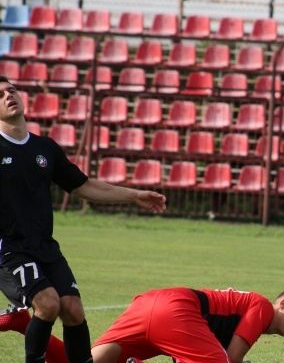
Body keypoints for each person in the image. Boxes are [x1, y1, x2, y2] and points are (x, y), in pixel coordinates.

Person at [0, 76, 167, 363]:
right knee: (48, 304)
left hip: (45, 247)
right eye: (0, 95)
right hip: (9, 250)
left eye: (11, 90)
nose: (8, 96)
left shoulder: (45, 148)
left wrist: (134, 195)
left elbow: (85, 186)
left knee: (73, 309)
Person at [0, 286, 284, 363]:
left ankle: (21, 321)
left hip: (151, 304)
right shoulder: (261, 306)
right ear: (283, 303)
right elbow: (230, 358)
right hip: (177, 310)